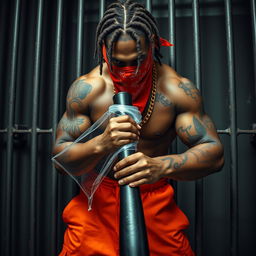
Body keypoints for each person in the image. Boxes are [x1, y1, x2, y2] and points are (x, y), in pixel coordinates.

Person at [52, 0, 224, 255]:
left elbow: (214, 154)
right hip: (97, 203)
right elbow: (60, 161)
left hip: (154, 200)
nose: (129, 72)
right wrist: (101, 143)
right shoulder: (87, 89)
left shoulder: (176, 89)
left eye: (137, 61)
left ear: (153, 44)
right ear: (104, 50)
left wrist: (160, 166)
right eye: (119, 62)